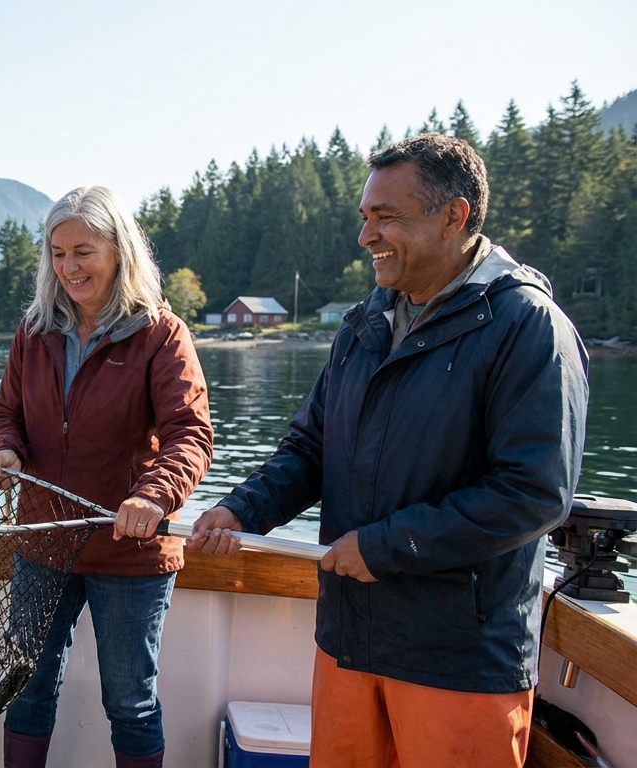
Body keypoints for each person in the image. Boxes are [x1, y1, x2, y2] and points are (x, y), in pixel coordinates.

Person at [187, 134, 588, 768]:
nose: (366, 235)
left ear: (454, 217)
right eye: (365, 216)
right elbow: (311, 448)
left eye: (387, 217)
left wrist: (385, 546)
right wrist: (241, 510)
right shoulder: (364, 323)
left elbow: (532, 492)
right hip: (349, 641)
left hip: (458, 659)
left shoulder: (528, 327)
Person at [0, 185, 214, 768]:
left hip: (128, 549)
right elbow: (8, 414)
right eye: (58, 253)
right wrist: (7, 452)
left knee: (130, 703)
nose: (68, 267)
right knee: (27, 688)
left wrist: (154, 495)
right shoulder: (32, 330)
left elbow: (191, 433)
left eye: (82, 251)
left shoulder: (161, 333)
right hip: (40, 541)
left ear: (120, 250)